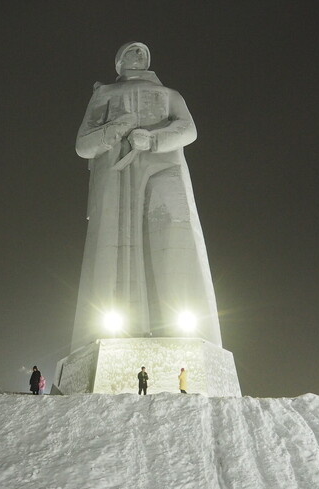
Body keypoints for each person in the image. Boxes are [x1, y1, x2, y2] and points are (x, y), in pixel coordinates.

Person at [71, 42, 223, 349]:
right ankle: (117, 329)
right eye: (131, 51)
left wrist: (153, 139)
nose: (139, 56)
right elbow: (83, 145)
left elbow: (188, 130)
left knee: (173, 243)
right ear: (118, 62)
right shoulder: (104, 95)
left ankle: (181, 329)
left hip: (164, 170)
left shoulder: (170, 95)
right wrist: (113, 130)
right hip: (117, 176)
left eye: (143, 52)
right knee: (114, 252)